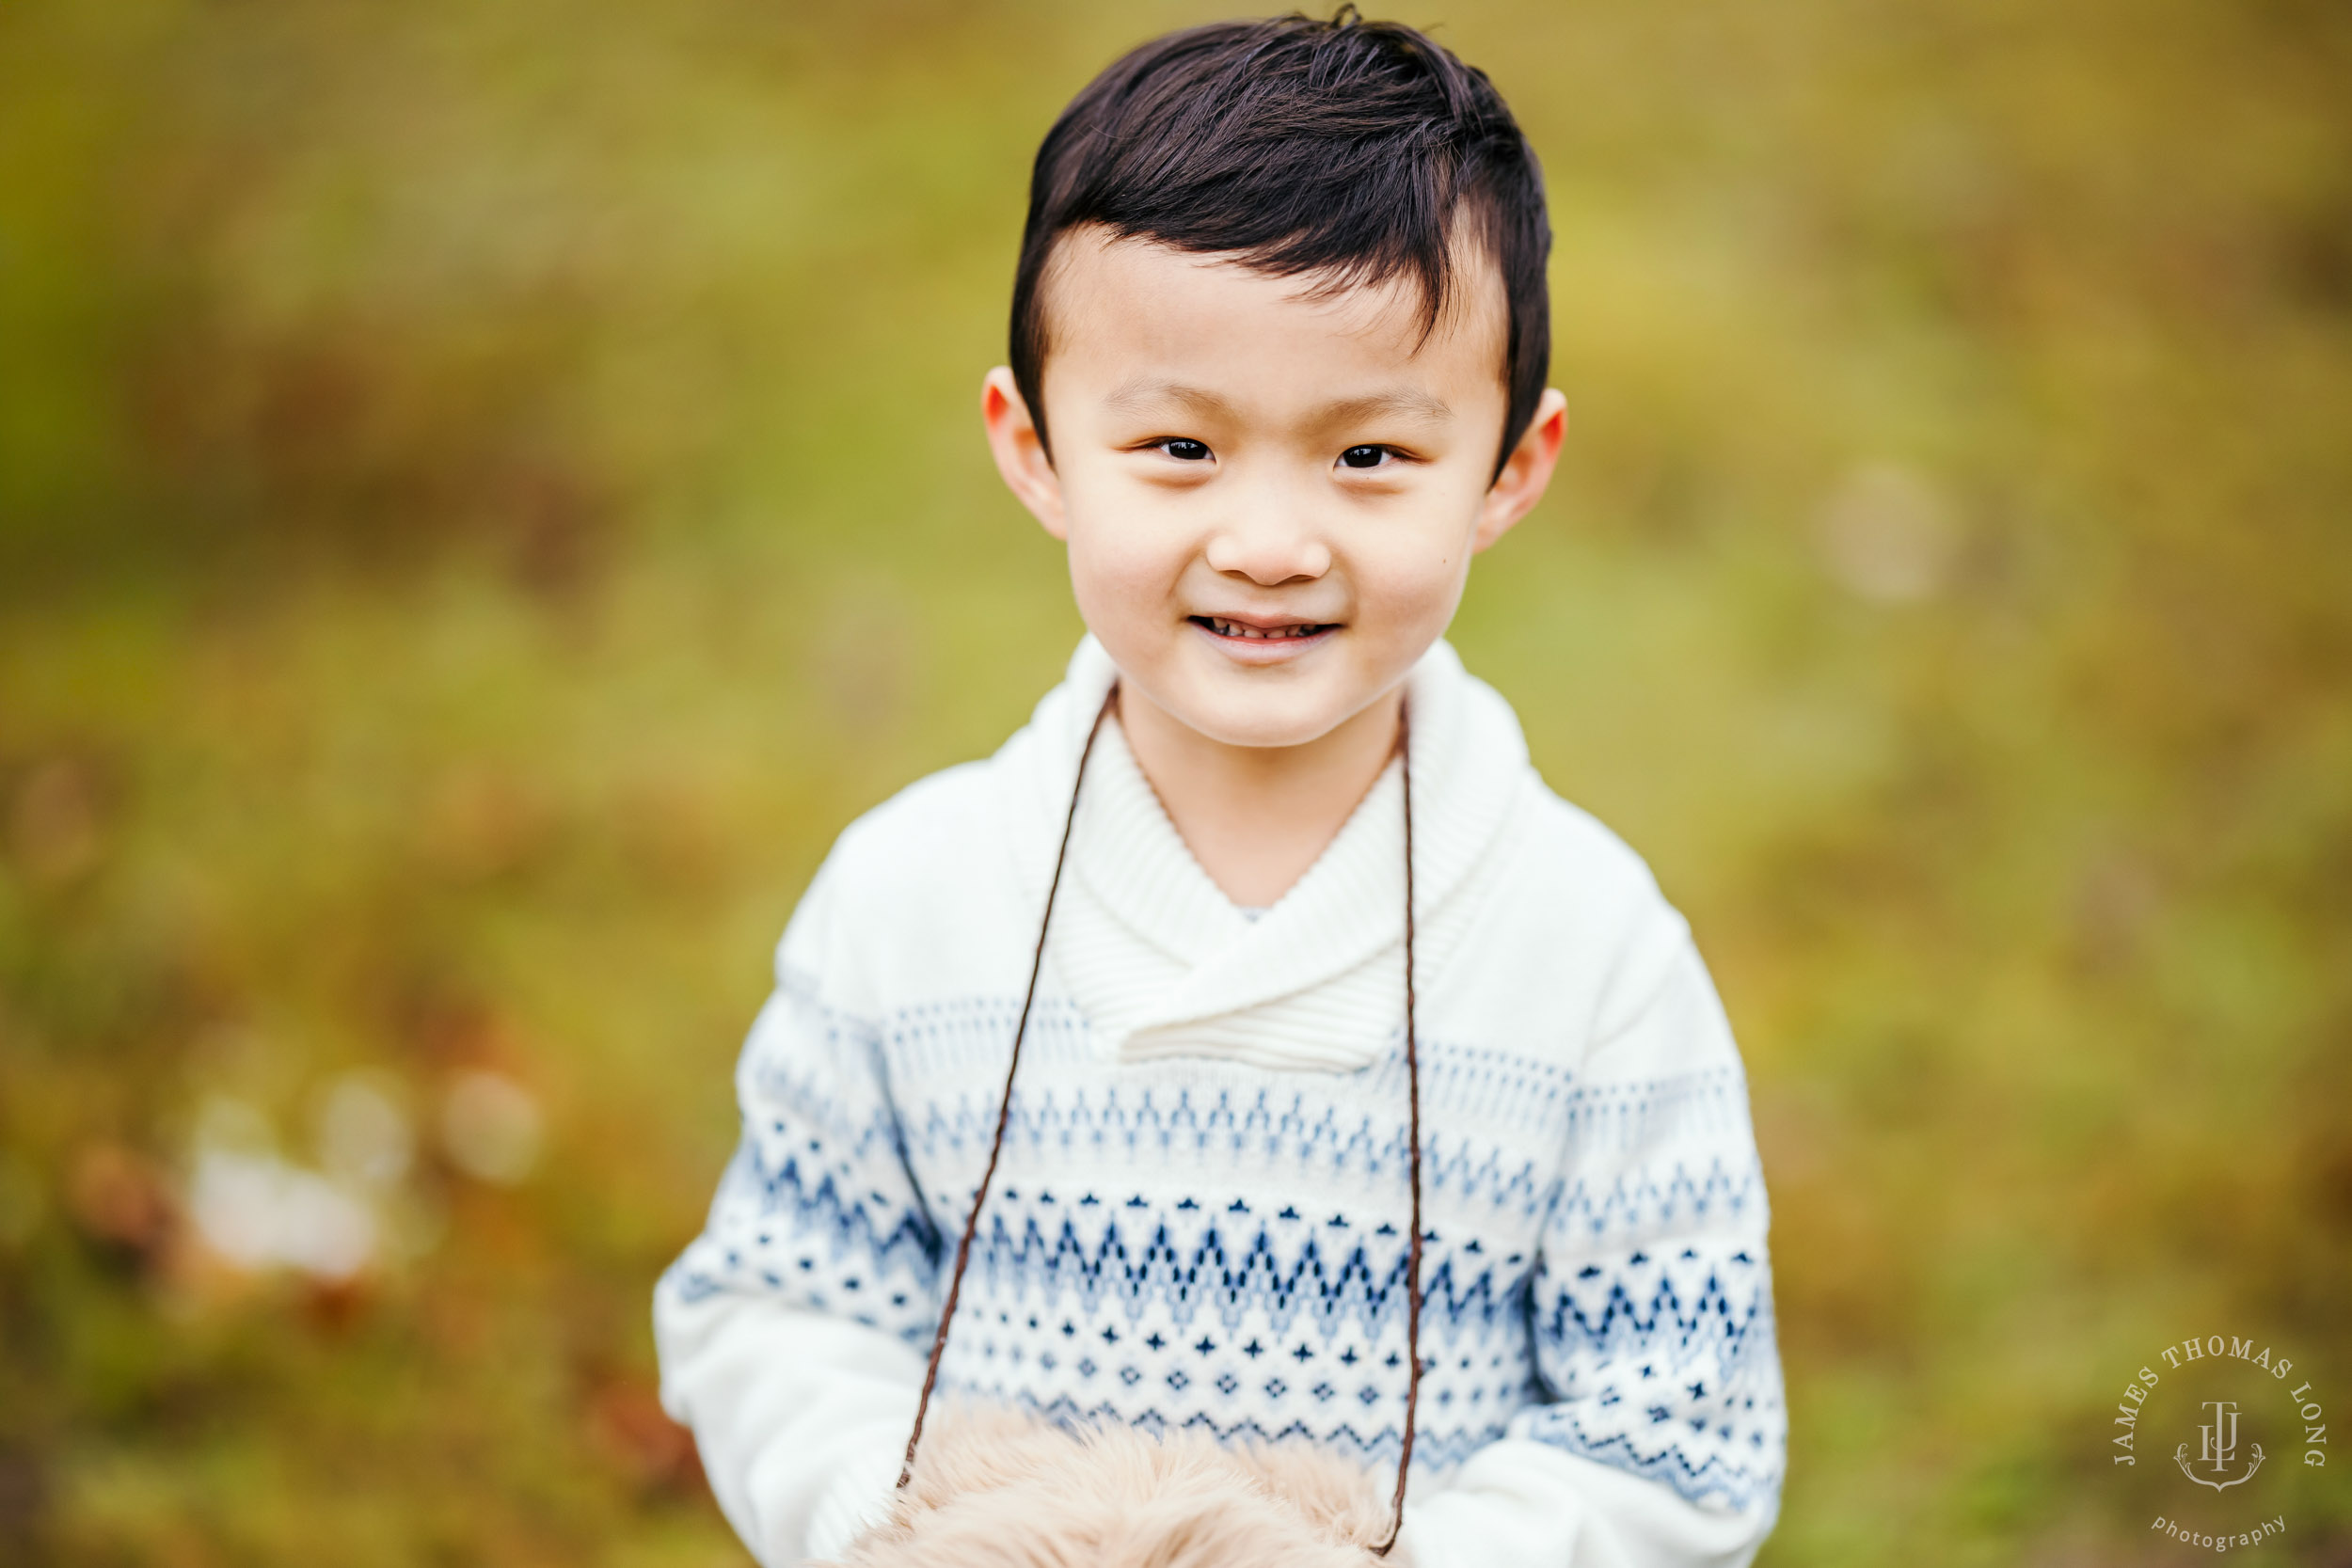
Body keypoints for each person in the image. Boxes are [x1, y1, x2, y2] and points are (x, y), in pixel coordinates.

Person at [655, 10, 1786, 1565]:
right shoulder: (912, 903)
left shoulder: (1585, 952)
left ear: (1513, 467)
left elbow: (1677, 1424)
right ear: (1038, 445)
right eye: (1180, 446)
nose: (1268, 540)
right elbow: (776, 1304)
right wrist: (901, 1531)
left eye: (1371, 458)